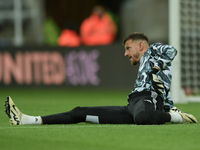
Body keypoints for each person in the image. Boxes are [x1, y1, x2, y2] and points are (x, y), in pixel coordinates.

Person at [4, 32, 198, 125]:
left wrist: (171, 110)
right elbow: (164, 87)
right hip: (133, 104)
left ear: (141, 46)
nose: (125, 54)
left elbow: (172, 50)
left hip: (146, 101)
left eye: (128, 48)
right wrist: (168, 102)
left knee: (143, 118)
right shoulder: (149, 66)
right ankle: (28, 120)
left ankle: (176, 119)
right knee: (80, 112)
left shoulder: (153, 50)